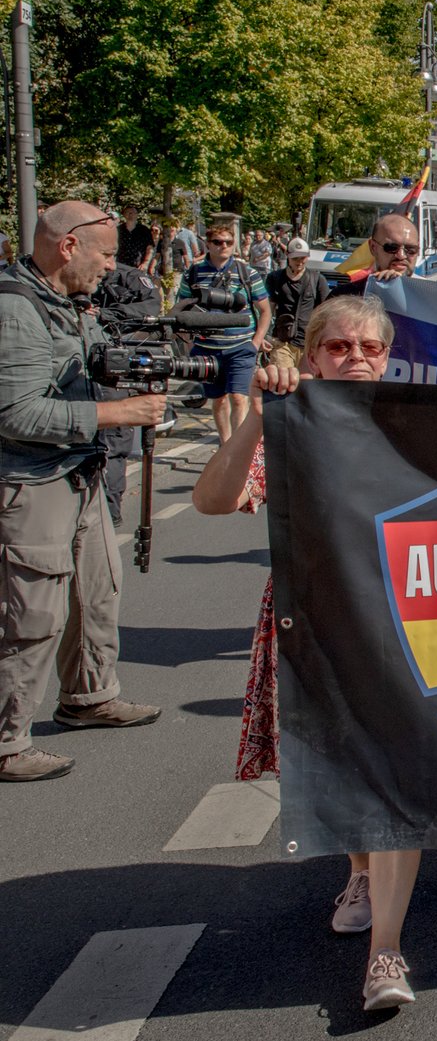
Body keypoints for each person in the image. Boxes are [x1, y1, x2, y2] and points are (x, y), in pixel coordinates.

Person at [191, 296, 426, 1009]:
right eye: (340, 346)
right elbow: (213, 499)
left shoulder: (419, 423)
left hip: (400, 626)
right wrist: (261, 414)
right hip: (312, 623)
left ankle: (386, 951)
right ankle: (358, 869)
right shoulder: (290, 425)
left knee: (394, 781)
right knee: (339, 764)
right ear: (312, 353)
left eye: (371, 348)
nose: (357, 358)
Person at [0, 203, 166, 782]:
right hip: (30, 481)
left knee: (96, 594)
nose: (110, 265)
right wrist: (116, 411)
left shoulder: (66, 304)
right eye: (104, 253)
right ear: (68, 247)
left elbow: (92, 365)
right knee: (30, 614)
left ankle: (88, 697)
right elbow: (16, 413)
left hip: (79, 473)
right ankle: (6, 740)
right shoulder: (15, 310)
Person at [177, 224, 272, 443]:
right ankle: (225, 443)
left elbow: (265, 310)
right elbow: (181, 310)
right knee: (218, 400)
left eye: (229, 242)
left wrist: (255, 343)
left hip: (240, 347)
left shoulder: (247, 272)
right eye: (218, 242)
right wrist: (190, 344)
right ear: (208, 244)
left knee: (239, 398)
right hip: (207, 348)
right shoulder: (193, 273)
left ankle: (236, 447)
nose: (224, 246)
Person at [90, 258, 165, 526]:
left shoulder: (131, 278)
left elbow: (151, 306)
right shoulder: (73, 278)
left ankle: (109, 513)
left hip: (117, 369)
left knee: (113, 441)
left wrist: (105, 314)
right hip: (82, 371)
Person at [264, 238, 328, 370]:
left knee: (306, 384)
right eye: (295, 258)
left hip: (309, 342)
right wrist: (266, 335)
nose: (299, 262)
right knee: (283, 382)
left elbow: (326, 311)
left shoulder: (317, 279)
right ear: (288, 256)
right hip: (282, 340)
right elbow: (267, 310)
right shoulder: (274, 278)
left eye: (303, 258)